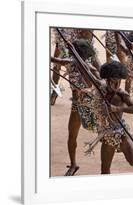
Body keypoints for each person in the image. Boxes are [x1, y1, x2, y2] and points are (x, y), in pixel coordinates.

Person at [77, 60, 133, 174]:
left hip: (121, 131)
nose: (117, 85)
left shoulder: (122, 94)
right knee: (105, 169)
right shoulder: (100, 86)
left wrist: (117, 108)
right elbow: (87, 71)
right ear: (107, 80)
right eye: (114, 82)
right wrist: (75, 53)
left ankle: (125, 145)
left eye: (119, 82)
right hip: (107, 134)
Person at [51, 38, 98, 176]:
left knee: (106, 131)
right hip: (77, 106)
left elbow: (95, 83)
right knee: (72, 135)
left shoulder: (90, 68)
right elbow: (55, 60)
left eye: (74, 52)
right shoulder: (70, 63)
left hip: (93, 105)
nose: (71, 55)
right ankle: (73, 164)